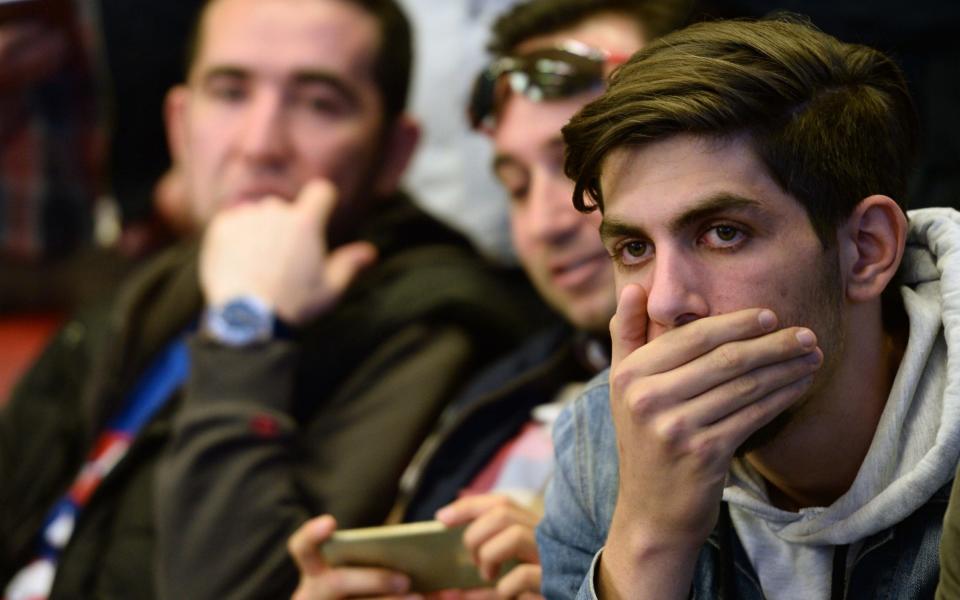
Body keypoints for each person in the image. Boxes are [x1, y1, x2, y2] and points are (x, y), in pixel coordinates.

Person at [0, 0, 546, 597]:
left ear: (394, 153)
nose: (260, 145)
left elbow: (236, 588)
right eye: (230, 92)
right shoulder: (154, 285)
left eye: (318, 104)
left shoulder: (435, 324)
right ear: (180, 126)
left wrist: (248, 331)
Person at [536, 16, 960, 600]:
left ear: (866, 250)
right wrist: (648, 538)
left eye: (723, 234)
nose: (666, 300)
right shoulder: (598, 445)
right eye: (634, 248)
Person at [284, 1, 689, 598]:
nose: (543, 222)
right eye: (516, 186)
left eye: (580, 167)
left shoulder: (758, 406)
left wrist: (589, 577)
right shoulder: (502, 388)